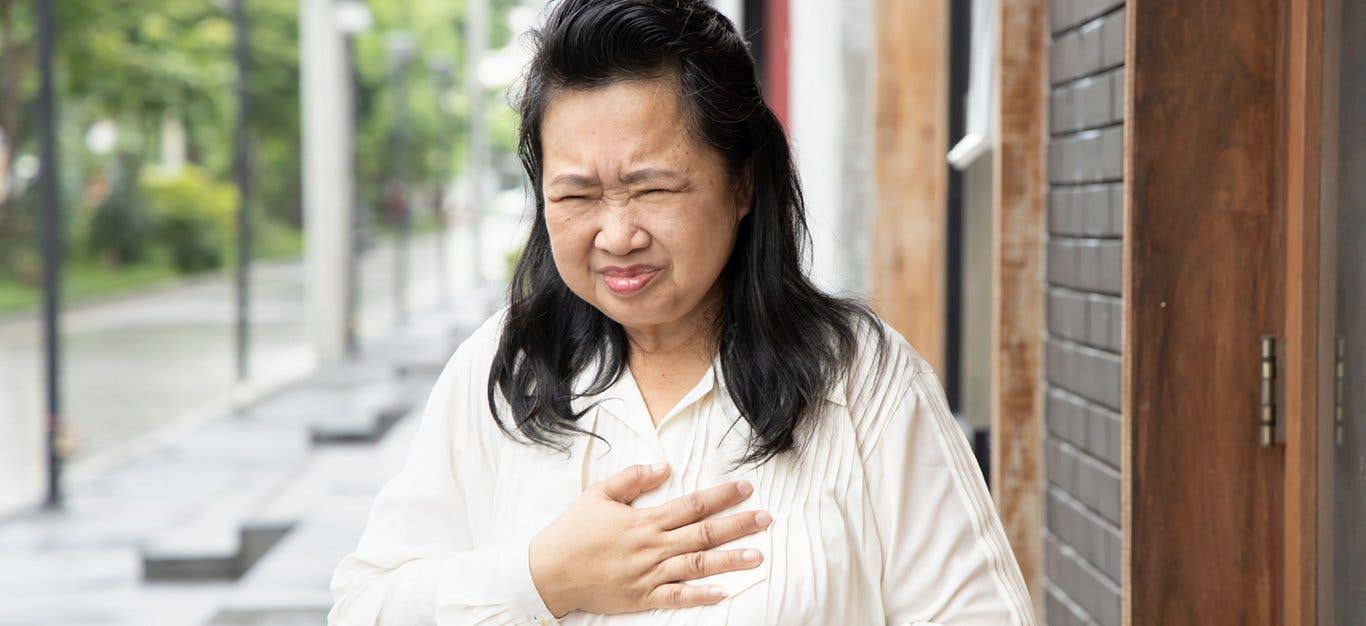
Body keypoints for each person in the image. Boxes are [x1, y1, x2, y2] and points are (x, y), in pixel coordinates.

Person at [328, 1, 1034, 624]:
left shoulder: (859, 378)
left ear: (743, 182)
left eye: (652, 188)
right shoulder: (501, 370)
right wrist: (543, 576)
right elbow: (366, 608)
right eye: (577, 195)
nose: (616, 234)